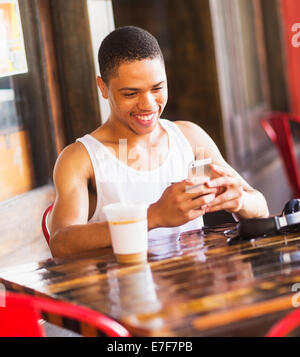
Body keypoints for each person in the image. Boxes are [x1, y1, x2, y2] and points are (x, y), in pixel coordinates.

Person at [48, 26, 269, 258]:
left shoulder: (190, 140)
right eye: (130, 94)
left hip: (196, 286)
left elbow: (260, 208)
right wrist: (152, 216)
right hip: (126, 290)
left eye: (157, 88)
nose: (148, 104)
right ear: (103, 87)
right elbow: (61, 242)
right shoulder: (82, 158)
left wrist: (239, 200)